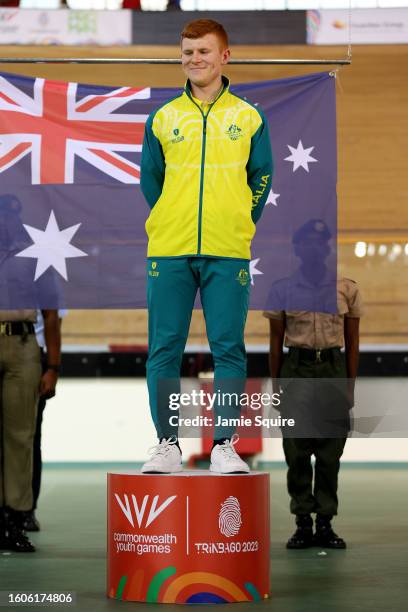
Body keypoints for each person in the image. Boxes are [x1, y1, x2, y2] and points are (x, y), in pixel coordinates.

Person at [140, 18, 273, 474]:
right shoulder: (163, 118)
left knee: (229, 348)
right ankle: (167, 445)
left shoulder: (248, 116)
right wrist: (171, 218)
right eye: (188, 52)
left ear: (224, 57)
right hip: (169, 249)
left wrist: (238, 220)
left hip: (228, 250)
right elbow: (151, 182)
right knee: (164, 349)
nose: (195, 59)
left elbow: (262, 178)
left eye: (204, 52)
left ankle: (223, 446)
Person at [264, 219, 362, 549]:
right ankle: (302, 522)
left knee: (331, 451)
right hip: (297, 368)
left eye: (320, 244)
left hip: (332, 368)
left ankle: (325, 523)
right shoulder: (282, 290)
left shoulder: (346, 288)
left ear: (327, 248)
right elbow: (275, 342)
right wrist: (277, 386)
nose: (313, 249)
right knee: (297, 449)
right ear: (297, 249)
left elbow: (352, 339)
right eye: (306, 243)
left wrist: (349, 386)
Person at [0, 309, 60, 552]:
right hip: (21, 347)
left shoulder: (36, 268)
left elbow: (51, 315)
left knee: (21, 437)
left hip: (22, 344)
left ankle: (15, 520)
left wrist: (54, 367)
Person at [22, 310, 66, 533]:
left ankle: (27, 509)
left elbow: (54, 321)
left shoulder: (45, 275)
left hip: (32, 355)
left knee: (29, 439)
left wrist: (52, 367)